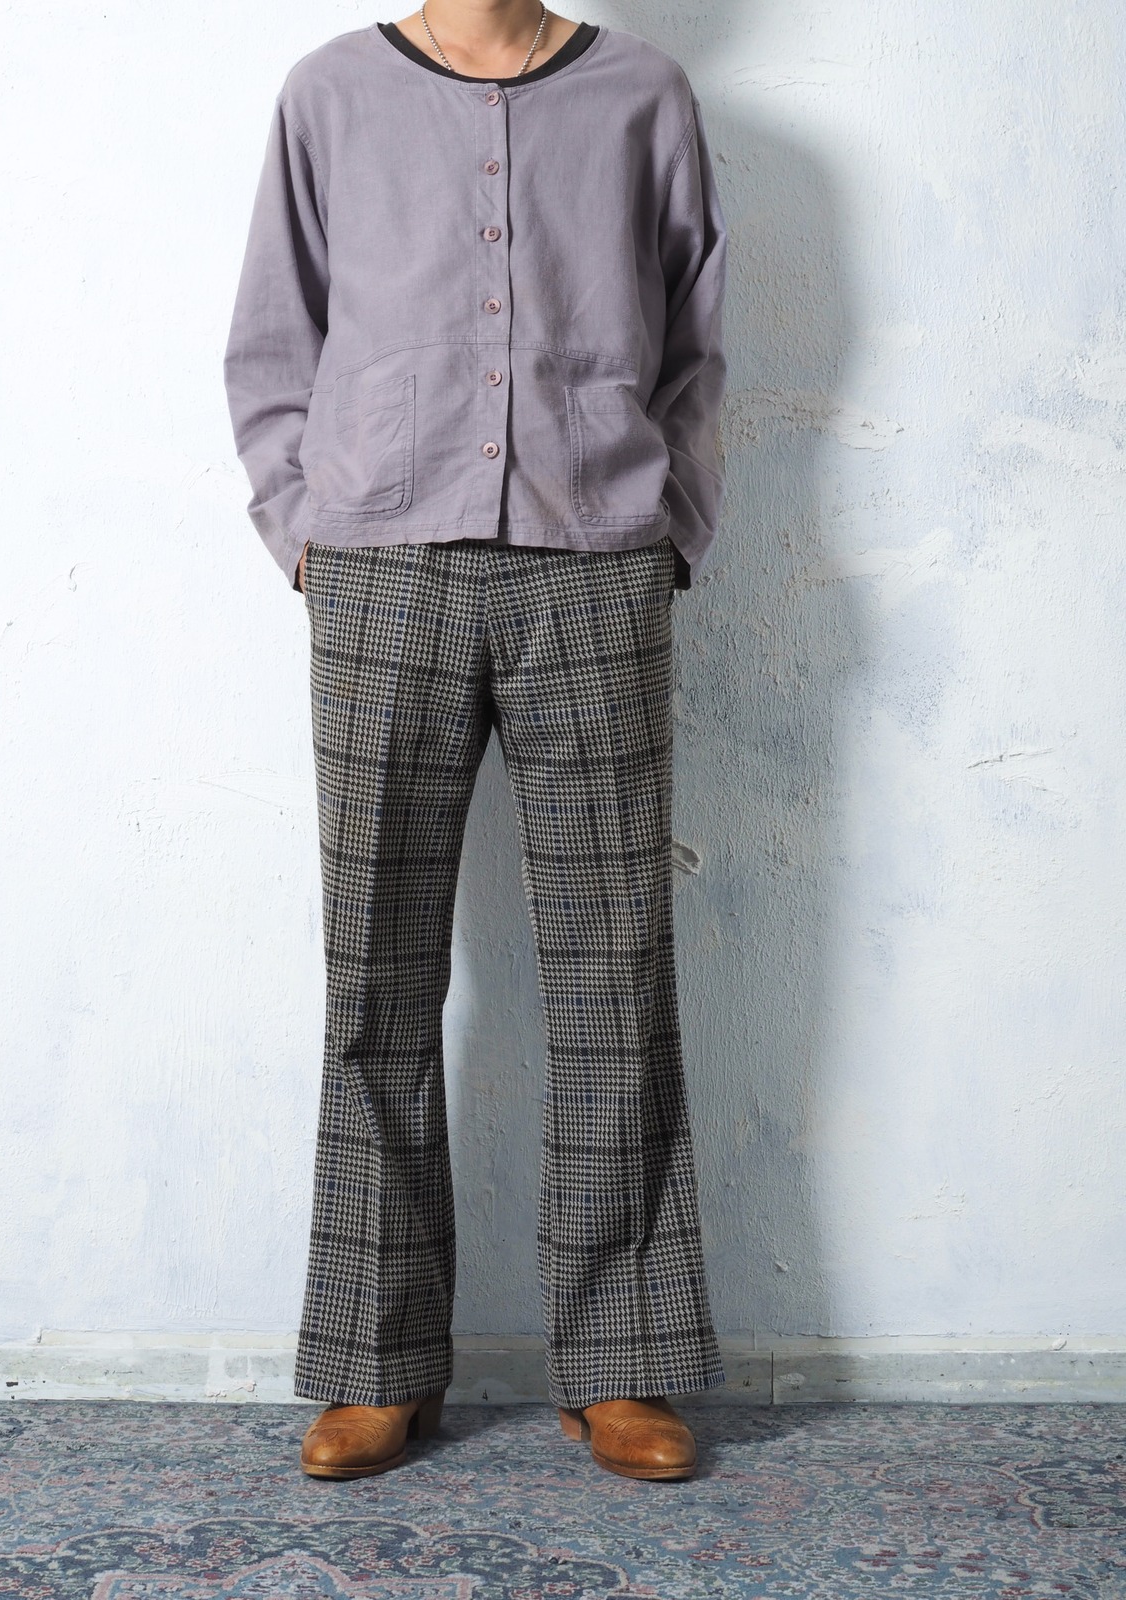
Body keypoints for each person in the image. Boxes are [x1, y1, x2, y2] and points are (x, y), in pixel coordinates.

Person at [223, 0, 729, 1482]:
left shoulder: (644, 94)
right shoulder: (328, 93)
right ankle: (378, 1362)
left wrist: (667, 537)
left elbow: (697, 343)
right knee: (376, 973)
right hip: (381, 568)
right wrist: (307, 537)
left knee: (614, 971)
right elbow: (272, 340)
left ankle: (620, 1363)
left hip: (595, 565)